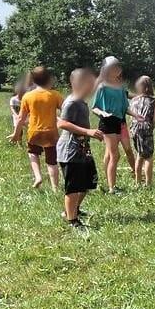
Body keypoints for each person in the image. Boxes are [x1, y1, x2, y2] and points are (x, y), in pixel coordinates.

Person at [56, 68, 102, 229]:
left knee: (88, 182)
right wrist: (88, 132)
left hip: (82, 150)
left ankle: (73, 209)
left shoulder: (81, 101)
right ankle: (72, 220)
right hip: (70, 151)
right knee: (74, 187)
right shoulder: (72, 102)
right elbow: (62, 123)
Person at [9, 66, 63, 190]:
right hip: (51, 132)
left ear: (33, 81)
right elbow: (66, 110)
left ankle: (38, 176)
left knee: (33, 154)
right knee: (52, 161)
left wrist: (16, 134)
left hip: (34, 132)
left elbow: (20, 119)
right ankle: (55, 188)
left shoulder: (28, 96)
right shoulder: (55, 95)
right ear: (49, 79)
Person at [92, 57, 134, 193]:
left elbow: (125, 107)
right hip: (107, 122)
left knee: (113, 154)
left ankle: (110, 183)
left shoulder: (120, 87)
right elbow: (94, 107)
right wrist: (103, 113)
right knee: (114, 155)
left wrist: (137, 116)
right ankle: (112, 188)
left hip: (119, 122)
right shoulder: (102, 87)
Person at [128, 75, 155, 186]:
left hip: (134, 128)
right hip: (146, 129)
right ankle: (148, 183)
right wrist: (151, 128)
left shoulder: (134, 99)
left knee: (139, 154)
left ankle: (137, 182)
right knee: (148, 157)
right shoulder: (154, 100)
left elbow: (131, 116)